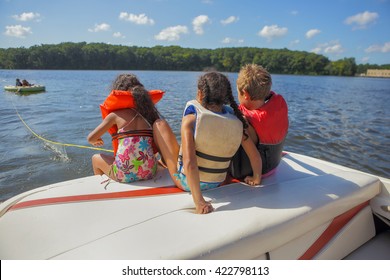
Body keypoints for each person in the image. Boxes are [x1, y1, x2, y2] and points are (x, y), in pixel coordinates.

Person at [153, 72, 262, 214]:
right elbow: (255, 156)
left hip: (187, 183)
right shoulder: (236, 121)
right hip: (217, 182)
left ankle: (161, 162)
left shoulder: (192, 119)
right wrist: (256, 177)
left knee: (159, 124)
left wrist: (199, 202)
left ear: (200, 93)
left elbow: (190, 164)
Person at [87, 74, 162, 183]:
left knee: (96, 158)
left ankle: (105, 190)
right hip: (150, 171)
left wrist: (96, 140)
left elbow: (91, 138)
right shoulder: (149, 115)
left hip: (124, 174)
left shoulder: (115, 115)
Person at [230, 64, 288, 180]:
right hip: (273, 167)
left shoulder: (245, 120)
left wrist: (256, 178)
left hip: (251, 171)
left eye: (238, 92)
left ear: (245, 94)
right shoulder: (278, 105)